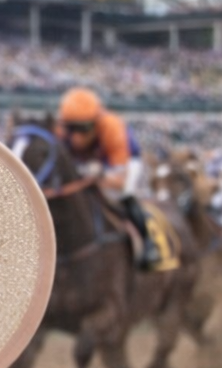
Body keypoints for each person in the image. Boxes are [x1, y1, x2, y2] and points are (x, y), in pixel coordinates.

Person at [56, 87, 164, 269]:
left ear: (95, 122)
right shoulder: (61, 129)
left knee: (120, 194)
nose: (76, 136)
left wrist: (99, 175)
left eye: (83, 129)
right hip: (87, 160)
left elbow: (119, 181)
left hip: (119, 162)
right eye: (71, 128)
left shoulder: (112, 127)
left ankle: (148, 243)